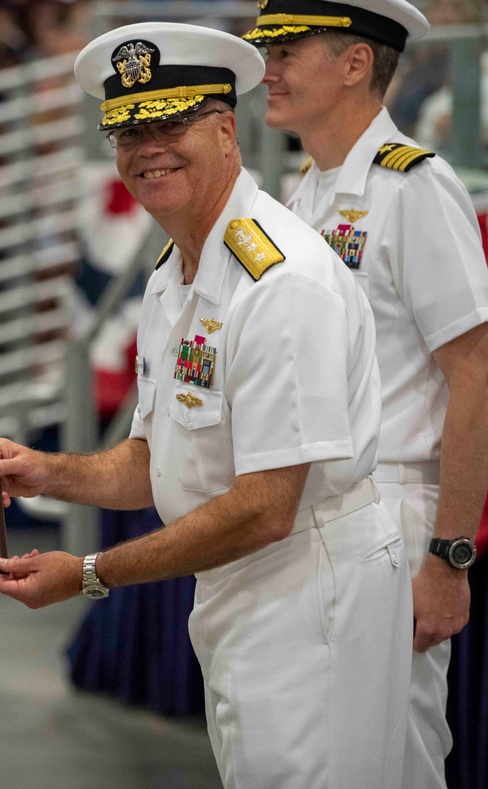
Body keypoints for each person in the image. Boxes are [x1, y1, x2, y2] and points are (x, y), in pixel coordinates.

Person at [0, 22, 411, 788]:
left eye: (171, 121)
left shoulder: (280, 281)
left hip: (307, 590)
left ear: (225, 128)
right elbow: (160, 456)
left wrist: (88, 572)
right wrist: (48, 473)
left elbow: (265, 506)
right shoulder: (174, 271)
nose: (148, 147)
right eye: (128, 130)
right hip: (244, 591)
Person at [242, 3, 488, 786]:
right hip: (306, 514)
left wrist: (450, 554)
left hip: (392, 509)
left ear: (355, 64)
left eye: (289, 50)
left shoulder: (415, 187)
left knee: (393, 762)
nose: (267, 70)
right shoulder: (301, 195)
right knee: (316, 759)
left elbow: (476, 371)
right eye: (266, 50)